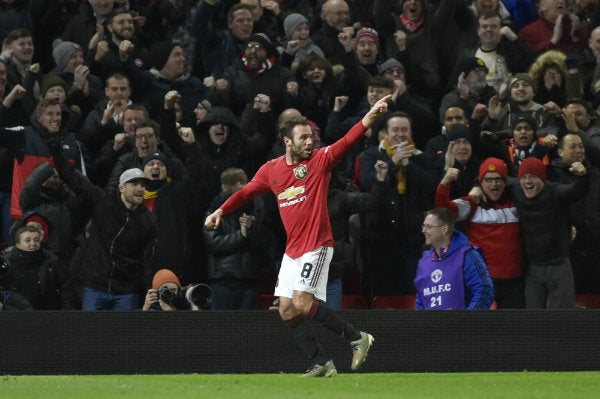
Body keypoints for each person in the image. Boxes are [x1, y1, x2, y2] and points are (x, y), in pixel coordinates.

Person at [204, 95, 392, 377]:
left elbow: (348, 139)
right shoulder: (271, 170)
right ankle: (321, 363)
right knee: (287, 310)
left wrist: (373, 114)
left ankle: (357, 338)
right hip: (293, 250)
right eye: (303, 137)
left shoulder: (320, 161)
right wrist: (221, 209)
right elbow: (245, 193)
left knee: (303, 302)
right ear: (287, 141)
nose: (310, 142)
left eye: (312, 137)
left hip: (317, 245)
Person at [49, 133, 158, 310]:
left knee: (123, 337)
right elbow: (73, 178)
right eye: (135, 184)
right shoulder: (103, 201)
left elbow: (147, 260)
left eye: (143, 185)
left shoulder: (148, 221)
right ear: (122, 188)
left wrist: (148, 289)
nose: (140, 189)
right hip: (95, 287)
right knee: (92, 336)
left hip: (126, 290)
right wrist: (57, 153)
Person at [436, 158, 525, 308]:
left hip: (514, 282)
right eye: (488, 180)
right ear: (481, 182)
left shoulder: (516, 201)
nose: (494, 184)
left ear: (505, 182)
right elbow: (443, 212)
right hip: (482, 281)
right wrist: (444, 183)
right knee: (482, 329)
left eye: (498, 179)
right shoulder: (472, 203)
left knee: (513, 328)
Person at [511, 156, 588, 308]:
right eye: (523, 177)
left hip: (559, 266)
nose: (527, 182)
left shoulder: (556, 192)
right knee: (534, 319)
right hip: (533, 268)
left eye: (532, 177)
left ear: (543, 178)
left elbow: (577, 190)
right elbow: (497, 178)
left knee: (562, 318)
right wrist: (477, 185)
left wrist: (583, 176)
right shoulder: (516, 190)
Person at [203, 167, 270, 310]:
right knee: (222, 326)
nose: (241, 191)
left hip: (248, 278)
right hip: (223, 279)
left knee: (245, 328)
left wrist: (252, 229)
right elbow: (213, 244)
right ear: (225, 187)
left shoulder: (254, 210)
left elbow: (264, 244)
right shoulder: (213, 212)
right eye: (235, 186)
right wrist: (241, 235)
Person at [414, 207, 494, 310]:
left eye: (429, 227)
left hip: (463, 325)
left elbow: (484, 291)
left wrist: (467, 322)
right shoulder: (424, 262)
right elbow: (420, 299)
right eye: (423, 226)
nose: (424, 231)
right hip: (432, 325)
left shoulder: (468, 255)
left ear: (444, 229)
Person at [1, 225, 63, 310]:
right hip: (16, 313)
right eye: (28, 240)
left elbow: (66, 289)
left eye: (36, 240)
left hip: (47, 312)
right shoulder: (6, 261)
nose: (33, 244)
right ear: (18, 244)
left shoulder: (51, 260)